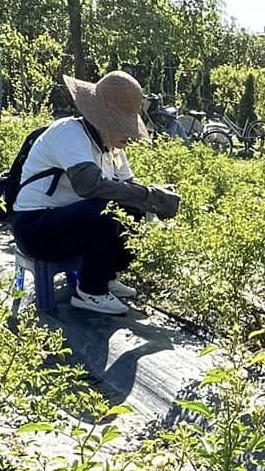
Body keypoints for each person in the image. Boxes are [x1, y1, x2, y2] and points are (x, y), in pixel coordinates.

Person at [11, 71, 180, 316]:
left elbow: (129, 188)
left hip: (67, 224)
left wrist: (153, 197)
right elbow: (89, 186)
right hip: (35, 228)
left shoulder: (111, 146)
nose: (130, 135)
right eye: (124, 126)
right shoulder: (69, 134)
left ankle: (106, 276)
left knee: (131, 208)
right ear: (103, 119)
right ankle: (91, 291)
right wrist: (150, 196)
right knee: (106, 208)